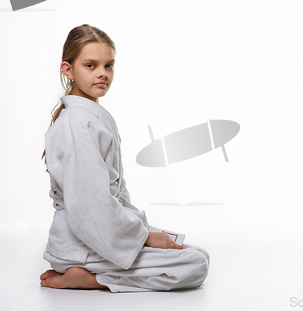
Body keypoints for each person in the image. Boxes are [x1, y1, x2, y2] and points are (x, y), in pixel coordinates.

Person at [40, 24, 209, 292]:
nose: (102, 74)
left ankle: (87, 272)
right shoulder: (78, 125)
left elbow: (110, 195)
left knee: (197, 252)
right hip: (82, 245)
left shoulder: (87, 117)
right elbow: (90, 208)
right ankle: (90, 279)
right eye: (90, 65)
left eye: (109, 66)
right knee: (195, 264)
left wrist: (143, 230)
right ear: (68, 69)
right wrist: (143, 238)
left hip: (95, 239)